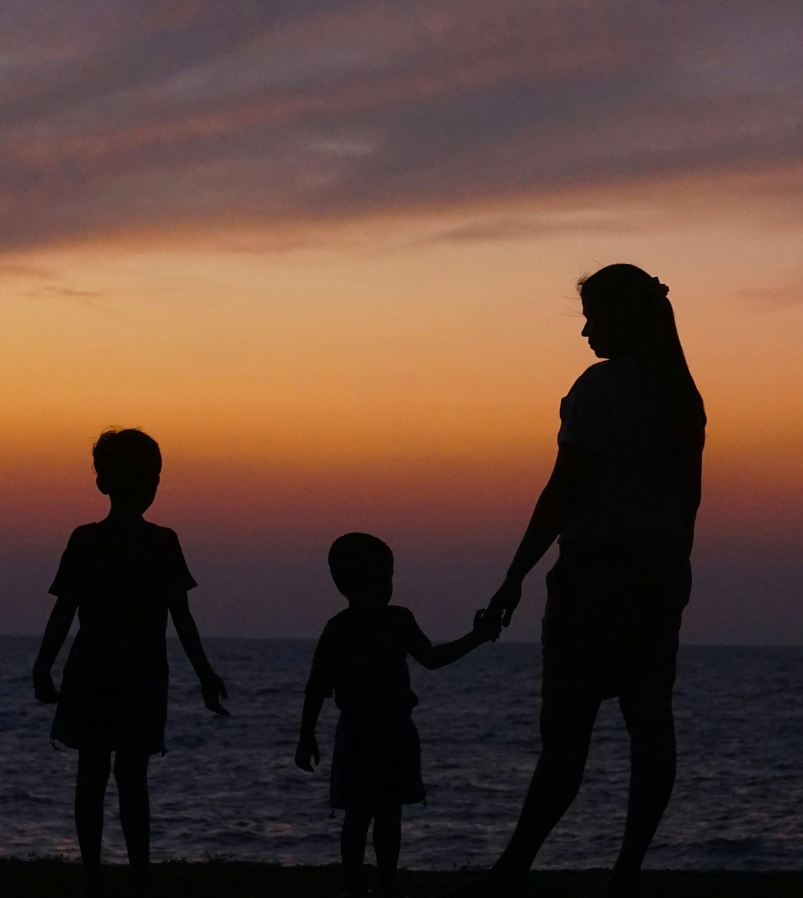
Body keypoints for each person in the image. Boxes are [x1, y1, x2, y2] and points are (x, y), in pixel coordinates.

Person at [462, 264, 706, 897]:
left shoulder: (602, 390)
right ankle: (626, 870)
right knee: (650, 721)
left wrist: (513, 575)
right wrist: (679, 564)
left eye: (592, 318)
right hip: (658, 570)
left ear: (618, 319)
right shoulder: (681, 397)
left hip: (598, 573)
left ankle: (513, 869)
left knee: (566, 734)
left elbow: (564, 488)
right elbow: (689, 500)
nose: (586, 333)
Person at [32, 428, 229, 898]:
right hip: (136, 674)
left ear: (103, 482)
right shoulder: (159, 542)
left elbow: (65, 610)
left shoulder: (90, 540)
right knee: (127, 776)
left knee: (95, 774)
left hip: (99, 672)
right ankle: (134, 876)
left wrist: (44, 664)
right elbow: (180, 616)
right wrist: (204, 673)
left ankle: (98, 877)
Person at [297, 532, 502, 898]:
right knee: (385, 812)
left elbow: (317, 687)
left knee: (359, 814)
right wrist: (477, 637)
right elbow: (432, 659)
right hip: (389, 728)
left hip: (360, 729)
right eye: (386, 575)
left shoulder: (340, 627)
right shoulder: (394, 621)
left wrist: (306, 735)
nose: (389, 583)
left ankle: (357, 886)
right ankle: (383, 885)